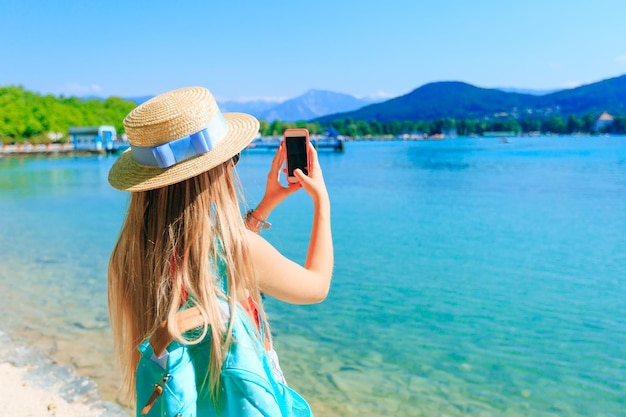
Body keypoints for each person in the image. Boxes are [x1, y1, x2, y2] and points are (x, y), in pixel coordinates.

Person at [107, 86, 333, 414]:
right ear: (214, 171)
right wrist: (322, 201)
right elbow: (316, 287)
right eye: (232, 158)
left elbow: (209, 266)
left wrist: (265, 206)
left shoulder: (129, 253)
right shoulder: (240, 251)